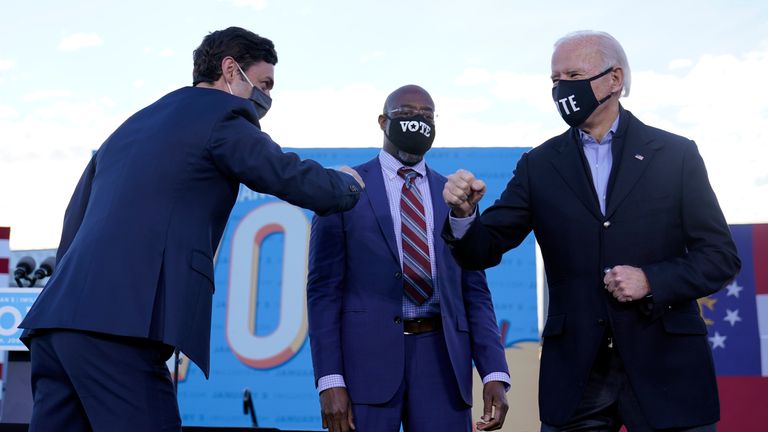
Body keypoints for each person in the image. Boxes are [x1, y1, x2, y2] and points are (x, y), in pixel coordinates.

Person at [19, 26, 364, 432]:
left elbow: (74, 223)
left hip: (55, 325)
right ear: (231, 70)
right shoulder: (223, 115)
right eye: (265, 84)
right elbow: (283, 173)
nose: (267, 98)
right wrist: (347, 186)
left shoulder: (131, 126)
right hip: (119, 332)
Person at [442, 31, 740, 432]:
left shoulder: (675, 154)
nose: (562, 88)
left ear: (614, 79)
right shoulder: (540, 165)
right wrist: (463, 214)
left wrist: (652, 279)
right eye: (555, 80)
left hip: (666, 369)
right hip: (577, 376)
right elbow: (482, 248)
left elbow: (720, 257)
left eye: (573, 74)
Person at [307, 85, 509, 432]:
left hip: (442, 365)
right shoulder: (343, 187)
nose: (418, 121)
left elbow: (474, 292)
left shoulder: (454, 195)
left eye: (427, 115)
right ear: (383, 121)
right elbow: (323, 292)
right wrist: (329, 380)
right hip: (365, 366)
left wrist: (494, 372)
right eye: (407, 113)